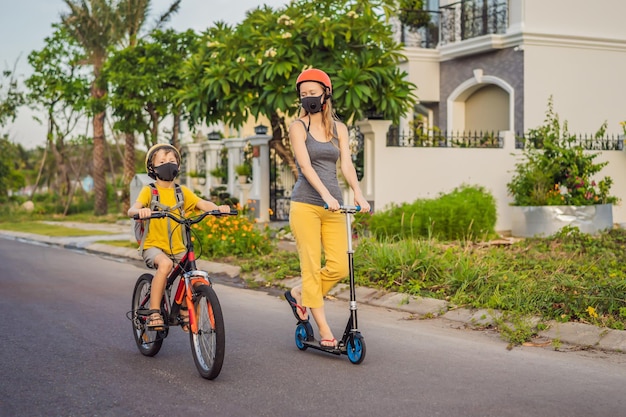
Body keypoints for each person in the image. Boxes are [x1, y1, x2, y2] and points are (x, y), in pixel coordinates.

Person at [284, 68, 370, 349]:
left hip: (334, 206)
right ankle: (323, 328)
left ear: (326, 93)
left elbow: (345, 164)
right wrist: (324, 195)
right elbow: (305, 166)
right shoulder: (298, 127)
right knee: (310, 266)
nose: (308, 97)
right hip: (306, 205)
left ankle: (299, 293)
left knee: (340, 266)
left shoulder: (339, 129)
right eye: (303, 93)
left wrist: (358, 193)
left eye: (313, 92)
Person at [128, 143, 231, 331]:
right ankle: (154, 312)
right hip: (154, 246)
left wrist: (218, 209)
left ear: (178, 166)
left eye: (172, 161)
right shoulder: (150, 191)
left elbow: (202, 204)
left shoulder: (181, 192)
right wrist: (140, 211)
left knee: (191, 275)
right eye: (162, 161)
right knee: (166, 265)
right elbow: (132, 208)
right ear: (152, 167)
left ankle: (185, 309)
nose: (168, 164)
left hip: (178, 246)